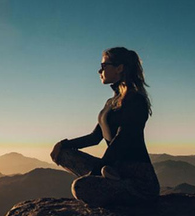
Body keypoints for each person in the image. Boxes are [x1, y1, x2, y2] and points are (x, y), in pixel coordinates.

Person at [50, 47, 160, 207]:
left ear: (119, 68)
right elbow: (95, 137)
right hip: (112, 168)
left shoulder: (136, 101)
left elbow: (121, 141)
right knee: (63, 154)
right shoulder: (111, 102)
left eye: (104, 65)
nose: (99, 70)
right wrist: (62, 144)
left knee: (80, 187)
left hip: (138, 178)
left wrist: (94, 174)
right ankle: (110, 179)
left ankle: (116, 184)